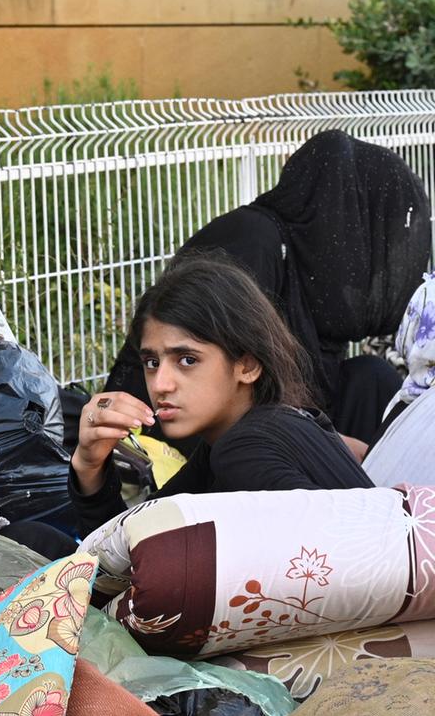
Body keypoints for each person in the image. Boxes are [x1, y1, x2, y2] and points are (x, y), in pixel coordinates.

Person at [103, 130, 431, 446]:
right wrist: (321, 446)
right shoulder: (250, 241)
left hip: (284, 422)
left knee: (372, 379)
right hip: (199, 436)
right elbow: (214, 384)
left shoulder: (309, 263)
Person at [71, 254, 374, 538]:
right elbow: (124, 548)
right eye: (152, 362)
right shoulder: (233, 439)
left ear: (248, 365)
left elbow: (338, 556)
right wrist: (89, 463)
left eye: (187, 360)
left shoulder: (244, 448)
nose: (161, 384)